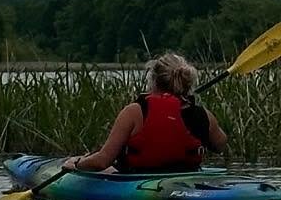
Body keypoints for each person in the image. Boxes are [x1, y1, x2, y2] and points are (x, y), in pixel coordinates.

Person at [62, 53, 226, 174]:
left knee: (106, 169)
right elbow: (220, 145)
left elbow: (102, 161)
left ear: (154, 80)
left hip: (137, 178)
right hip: (186, 178)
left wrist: (77, 164)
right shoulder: (203, 115)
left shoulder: (134, 112)